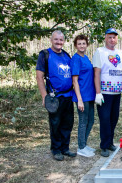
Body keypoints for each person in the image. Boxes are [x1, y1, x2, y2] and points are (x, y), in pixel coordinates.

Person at [36, 30, 76, 161]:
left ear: (64, 41)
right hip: (54, 97)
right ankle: (56, 149)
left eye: (61, 40)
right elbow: (39, 76)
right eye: (56, 39)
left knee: (68, 123)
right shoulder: (45, 55)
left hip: (68, 95)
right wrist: (44, 96)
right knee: (55, 123)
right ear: (51, 40)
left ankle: (65, 148)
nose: (59, 42)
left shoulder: (66, 55)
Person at [92, 28, 122, 157]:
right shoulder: (100, 52)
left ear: (117, 39)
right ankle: (104, 145)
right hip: (104, 92)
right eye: (109, 37)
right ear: (105, 38)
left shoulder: (119, 52)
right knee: (105, 119)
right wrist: (98, 92)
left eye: (114, 37)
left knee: (114, 118)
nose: (112, 39)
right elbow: (96, 73)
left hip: (116, 92)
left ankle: (110, 142)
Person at [71, 35, 96, 157]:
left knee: (91, 121)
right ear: (76, 45)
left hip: (90, 95)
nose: (82, 46)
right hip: (82, 96)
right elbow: (75, 81)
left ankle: (84, 144)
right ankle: (81, 147)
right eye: (79, 44)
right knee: (83, 121)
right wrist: (79, 100)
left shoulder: (86, 58)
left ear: (87, 45)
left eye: (84, 43)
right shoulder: (76, 59)